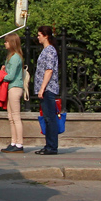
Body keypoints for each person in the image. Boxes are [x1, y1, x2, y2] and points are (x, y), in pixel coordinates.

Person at [34, 25, 60, 155]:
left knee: (50, 118)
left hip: (48, 89)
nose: (38, 37)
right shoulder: (46, 50)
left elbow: (49, 70)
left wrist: (42, 88)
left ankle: (52, 146)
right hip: (45, 89)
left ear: (46, 36)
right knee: (47, 118)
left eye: (39, 35)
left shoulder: (50, 50)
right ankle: (48, 145)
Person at [0, 34, 26, 153]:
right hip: (11, 87)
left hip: (15, 87)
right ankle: (13, 142)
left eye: (7, 42)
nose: (5, 43)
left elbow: (10, 76)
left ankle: (19, 144)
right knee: (11, 117)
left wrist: (1, 75)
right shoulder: (11, 56)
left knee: (15, 116)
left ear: (12, 43)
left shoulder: (15, 57)